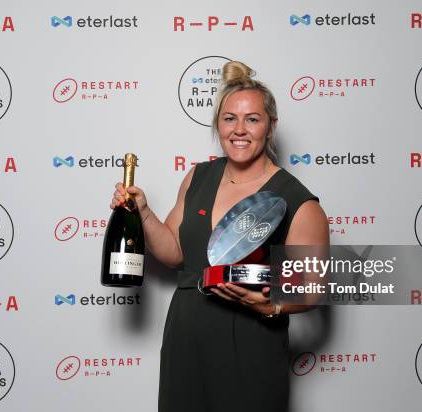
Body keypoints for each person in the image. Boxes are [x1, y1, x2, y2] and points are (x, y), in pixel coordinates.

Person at [110, 61, 329, 412]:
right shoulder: (197, 177)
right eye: (229, 119)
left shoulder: (297, 200)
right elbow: (174, 252)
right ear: (218, 125)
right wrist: (144, 213)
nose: (239, 130)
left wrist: (270, 306)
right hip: (185, 333)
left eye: (252, 119)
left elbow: (311, 289)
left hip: (250, 341)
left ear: (271, 127)